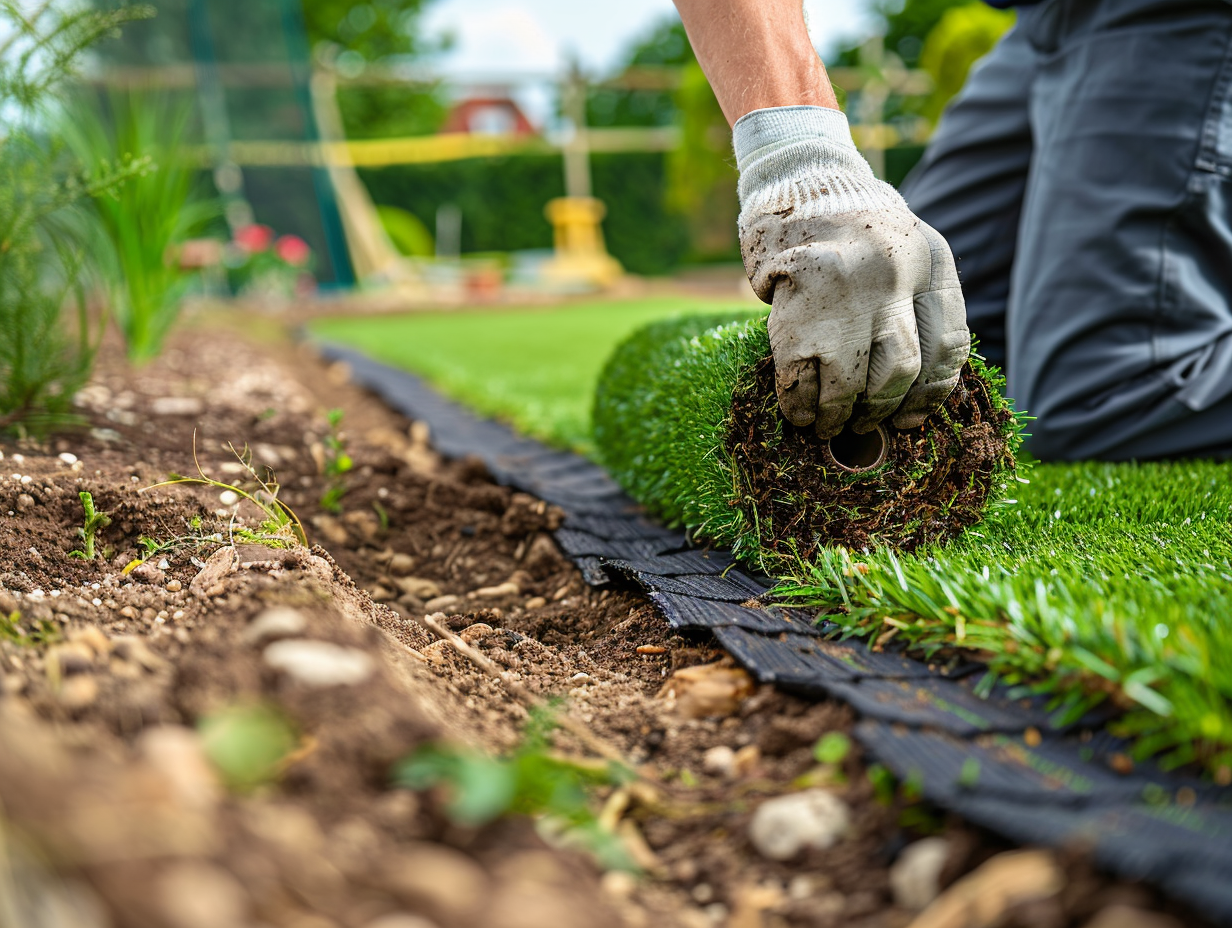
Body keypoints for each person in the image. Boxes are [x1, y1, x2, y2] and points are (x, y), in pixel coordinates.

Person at [673, 0, 1232, 460]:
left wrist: (805, 160)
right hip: (1042, 22)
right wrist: (798, 156)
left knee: (1099, 396)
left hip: (1177, 13)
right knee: (923, 333)